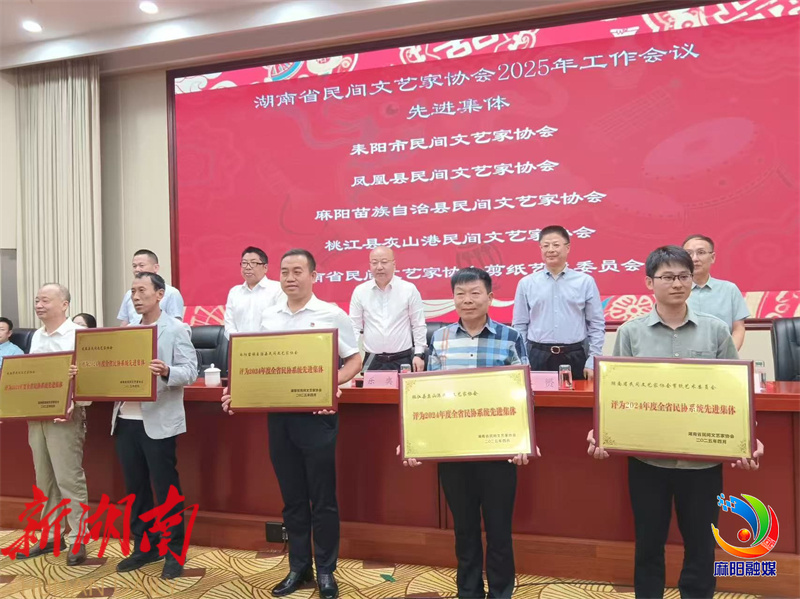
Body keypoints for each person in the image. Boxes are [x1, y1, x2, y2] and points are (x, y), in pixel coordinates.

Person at [586, 246, 764, 599]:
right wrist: (602, 430)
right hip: (648, 462)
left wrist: (749, 438)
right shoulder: (631, 333)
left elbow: (734, 393)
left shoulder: (715, 331)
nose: (677, 283)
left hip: (702, 463)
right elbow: (617, 392)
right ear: (649, 283)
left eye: (684, 276)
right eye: (667, 277)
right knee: (648, 542)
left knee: (701, 544)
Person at [221, 249, 361, 599]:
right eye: (285, 271)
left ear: (313, 276)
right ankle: (299, 567)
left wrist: (330, 384)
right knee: (292, 499)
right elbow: (256, 364)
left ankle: (326, 570)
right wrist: (237, 392)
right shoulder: (269, 316)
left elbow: (354, 359)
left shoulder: (331, 314)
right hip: (280, 419)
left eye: (298, 271)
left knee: (323, 499)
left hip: (317, 419)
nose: (290, 278)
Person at [402, 267, 537, 599]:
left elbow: (523, 393)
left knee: (499, 531)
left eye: (475, 293)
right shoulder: (440, 338)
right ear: (453, 299)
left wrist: (524, 440)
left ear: (490, 297)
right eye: (460, 294)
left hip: (498, 451)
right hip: (454, 451)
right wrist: (415, 440)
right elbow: (430, 396)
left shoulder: (510, 337)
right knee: (464, 530)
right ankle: (469, 591)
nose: (467, 300)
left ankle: (501, 592)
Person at [110, 272, 198, 579]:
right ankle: (145, 547)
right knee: (135, 489)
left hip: (158, 420)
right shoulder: (127, 332)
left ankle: (174, 551)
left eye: (142, 290)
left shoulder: (176, 329)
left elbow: (190, 371)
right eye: (132, 291)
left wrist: (167, 371)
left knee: (166, 489)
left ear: (160, 294)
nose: (135, 297)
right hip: (126, 419)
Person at [24, 283, 88, 566]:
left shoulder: (79, 336)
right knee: (44, 478)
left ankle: (78, 537)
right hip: (37, 416)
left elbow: (90, 379)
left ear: (64, 304)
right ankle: (51, 535)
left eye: (45, 300)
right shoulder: (37, 336)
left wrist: (76, 401)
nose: (39, 305)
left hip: (66, 417)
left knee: (68, 478)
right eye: (37, 300)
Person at [512, 225, 605, 380]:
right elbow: (520, 325)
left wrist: (592, 361)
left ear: (567, 248)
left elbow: (596, 324)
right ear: (540, 248)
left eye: (556, 245)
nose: (550, 250)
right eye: (545, 246)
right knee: (537, 397)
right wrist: (522, 360)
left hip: (575, 355)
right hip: (537, 356)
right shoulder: (526, 283)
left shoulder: (585, 282)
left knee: (578, 396)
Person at [349, 246, 427, 372]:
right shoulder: (360, 291)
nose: (379, 267)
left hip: (402, 359)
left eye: (384, 262)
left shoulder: (408, 289)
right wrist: (352, 355)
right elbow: (354, 326)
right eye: (374, 263)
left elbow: (418, 324)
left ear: (394, 264)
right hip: (372, 360)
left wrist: (419, 354)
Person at [682, 235, 749, 351]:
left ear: (712, 257)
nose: (694, 258)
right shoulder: (675, 290)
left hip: (723, 355)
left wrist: (729, 355)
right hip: (685, 356)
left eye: (701, 252)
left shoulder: (729, 289)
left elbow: (738, 328)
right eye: (689, 254)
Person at [224, 246, 284, 336]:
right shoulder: (234, 292)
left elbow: (281, 322)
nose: (248, 267)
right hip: (239, 343)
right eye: (244, 263)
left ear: (265, 267)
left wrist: (256, 342)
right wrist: (240, 340)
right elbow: (229, 325)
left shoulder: (278, 289)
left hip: (269, 342)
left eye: (253, 263)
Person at [118, 249, 184, 326]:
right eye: (134, 266)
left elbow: (175, 324)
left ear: (156, 267)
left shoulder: (172, 293)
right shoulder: (129, 294)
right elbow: (124, 324)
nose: (137, 269)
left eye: (141, 265)